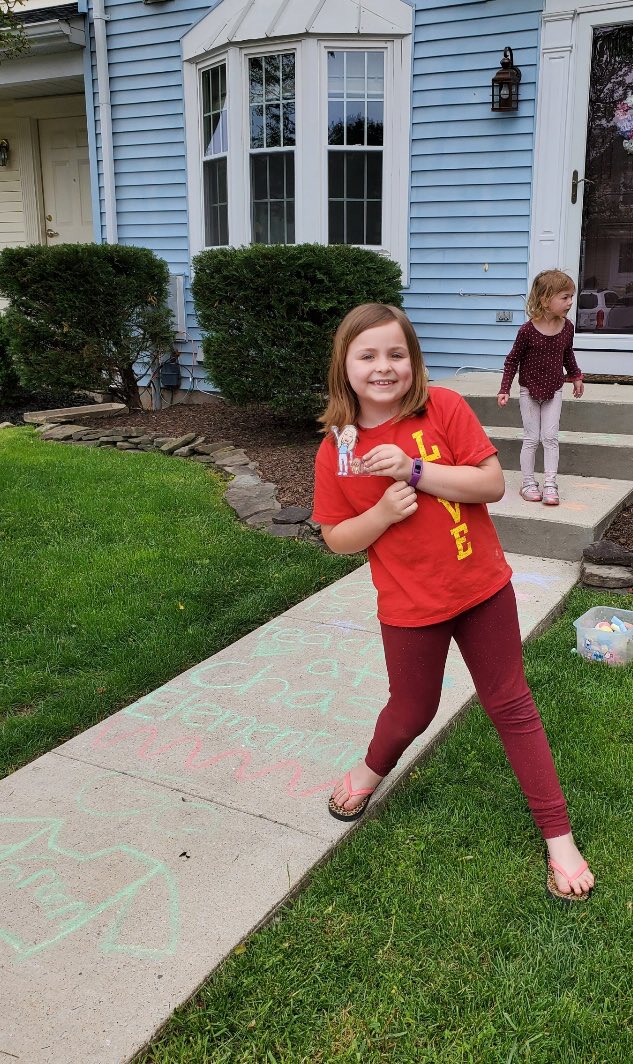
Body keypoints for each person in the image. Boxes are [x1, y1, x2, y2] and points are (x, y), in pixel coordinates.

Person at [312, 302, 594, 902]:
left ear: (414, 361)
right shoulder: (339, 446)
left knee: (512, 705)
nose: (384, 368)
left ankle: (559, 838)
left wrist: (416, 471)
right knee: (412, 709)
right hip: (411, 606)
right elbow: (337, 539)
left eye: (397, 354)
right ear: (345, 366)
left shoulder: (442, 408)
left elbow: (490, 483)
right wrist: (382, 513)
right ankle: (368, 773)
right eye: (368, 356)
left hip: (482, 589)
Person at [497, 269, 584, 506]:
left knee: (550, 437)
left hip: (554, 389)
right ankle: (527, 482)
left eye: (570, 297)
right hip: (529, 390)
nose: (570, 302)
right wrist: (505, 388)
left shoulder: (567, 328)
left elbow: (567, 354)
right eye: (564, 297)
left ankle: (549, 483)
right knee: (531, 438)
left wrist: (575, 375)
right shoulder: (526, 331)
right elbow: (512, 360)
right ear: (546, 300)